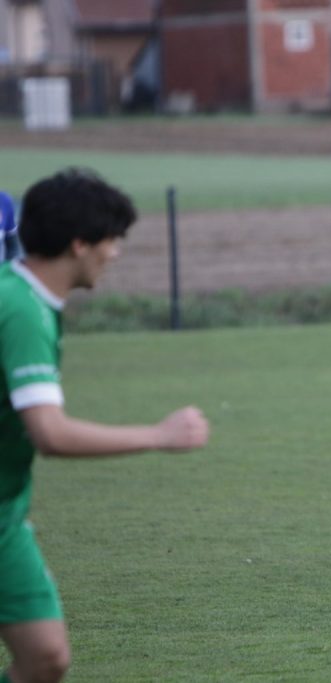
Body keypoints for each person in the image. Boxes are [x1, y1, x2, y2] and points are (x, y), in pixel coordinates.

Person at [0, 168, 209, 683]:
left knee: (46, 658)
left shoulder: (30, 300)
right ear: (80, 244)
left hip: (7, 511)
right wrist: (158, 436)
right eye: (112, 241)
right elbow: (50, 434)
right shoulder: (20, 309)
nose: (115, 254)